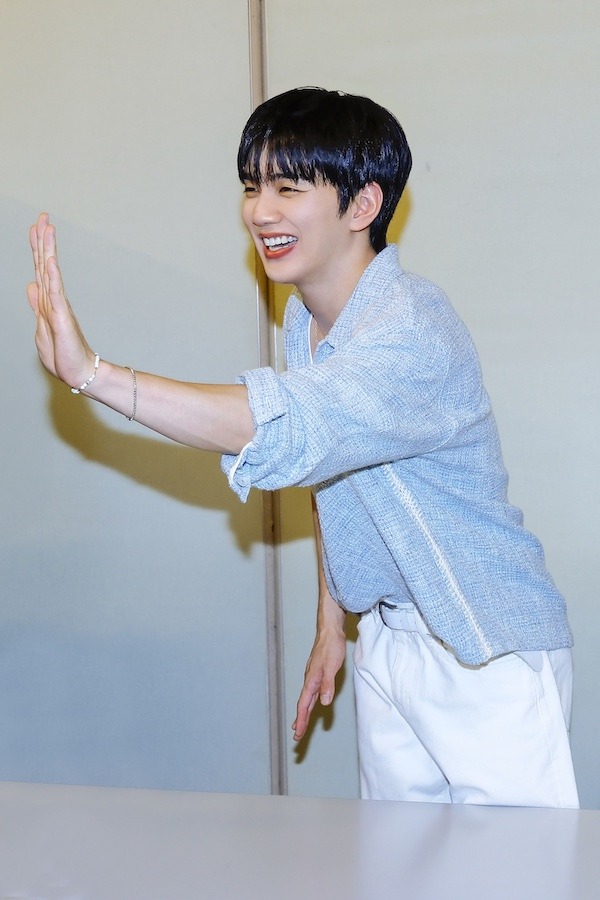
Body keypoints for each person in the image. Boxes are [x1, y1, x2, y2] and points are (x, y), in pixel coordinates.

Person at [27, 86, 579, 807]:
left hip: (484, 646)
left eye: (288, 188)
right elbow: (333, 472)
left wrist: (93, 375)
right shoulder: (305, 320)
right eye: (252, 187)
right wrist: (331, 620)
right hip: (388, 640)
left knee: (518, 866)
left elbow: (284, 425)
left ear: (362, 205)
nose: (261, 212)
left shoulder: (411, 329)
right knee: (396, 863)